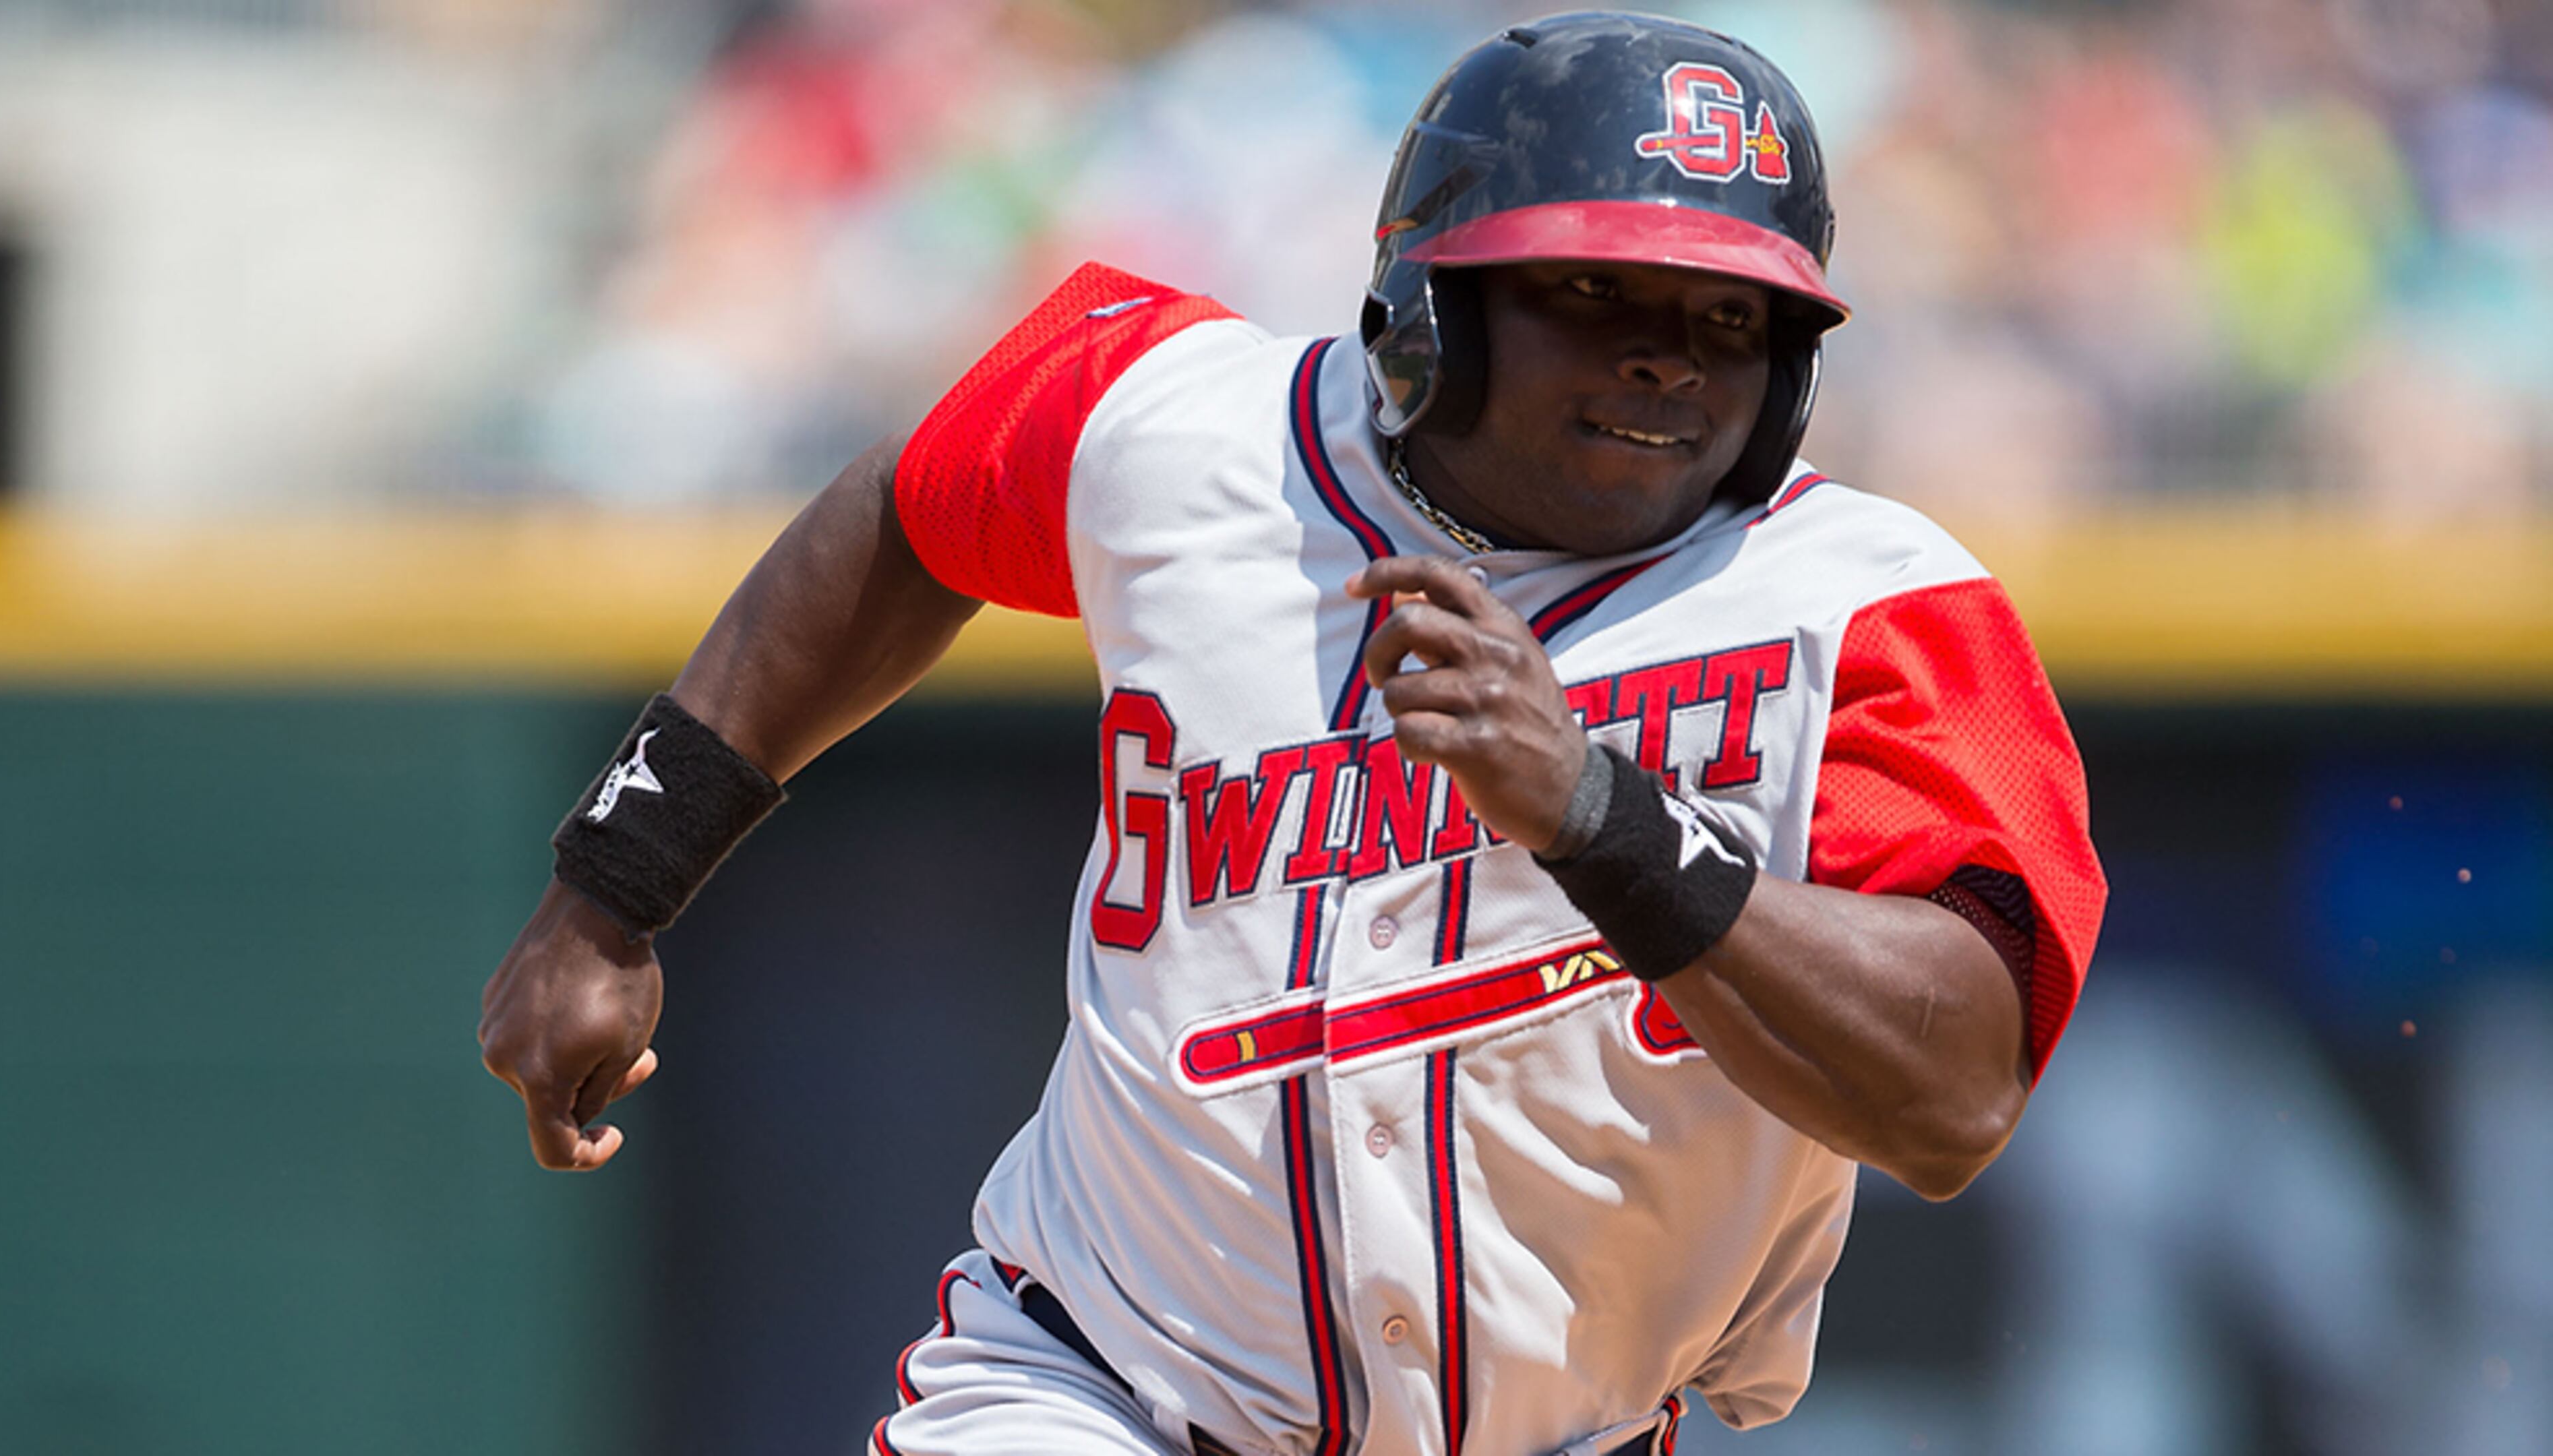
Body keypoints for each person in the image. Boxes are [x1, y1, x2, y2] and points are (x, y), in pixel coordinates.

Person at [479, 14, 2105, 1455]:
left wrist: (1605, 816)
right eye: (1596, 289)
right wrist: (616, 880)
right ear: (1430, 305)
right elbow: (907, 514)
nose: (1668, 356)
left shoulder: (1873, 605)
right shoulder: (1186, 428)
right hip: (1095, 1383)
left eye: (1731, 317)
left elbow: (1954, 1095)